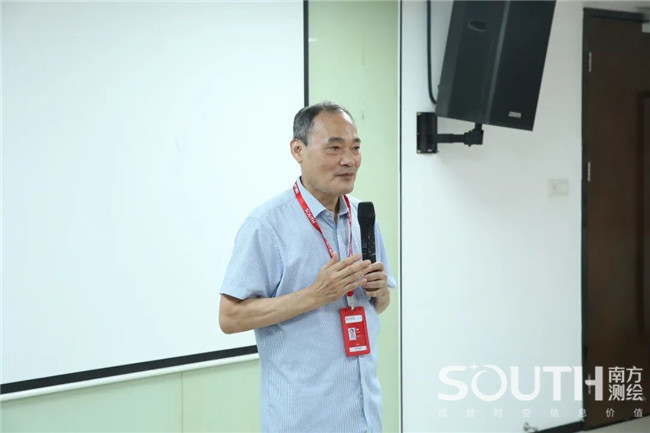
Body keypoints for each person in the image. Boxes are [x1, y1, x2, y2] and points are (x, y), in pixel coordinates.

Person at [219, 101, 397, 433]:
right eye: (335, 148)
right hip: (304, 421)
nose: (349, 160)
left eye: (355, 148)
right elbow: (230, 317)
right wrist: (315, 295)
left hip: (365, 417)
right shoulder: (267, 225)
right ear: (297, 150)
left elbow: (380, 304)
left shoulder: (363, 217)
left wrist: (379, 293)